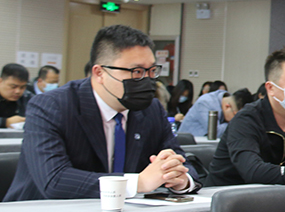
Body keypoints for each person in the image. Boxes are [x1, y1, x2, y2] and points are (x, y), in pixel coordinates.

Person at [4, 25, 200, 201]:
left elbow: (182, 162)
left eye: (152, 71)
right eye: (136, 71)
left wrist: (180, 179)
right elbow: (54, 180)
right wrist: (136, 183)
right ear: (99, 73)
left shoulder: (151, 109)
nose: (147, 80)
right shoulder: (51, 106)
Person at [205, 48, 285, 187]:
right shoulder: (246, 120)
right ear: (270, 88)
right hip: (224, 195)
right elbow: (253, 171)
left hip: (276, 196)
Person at [178, 88, 252, 137]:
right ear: (227, 106)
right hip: (187, 146)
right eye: (235, 116)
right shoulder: (205, 103)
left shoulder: (224, 98)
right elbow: (215, 133)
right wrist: (236, 123)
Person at [0, 63, 33, 128]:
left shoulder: (28, 98)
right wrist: (5, 122)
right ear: (0, 81)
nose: (18, 91)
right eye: (13, 87)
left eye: (22, 87)